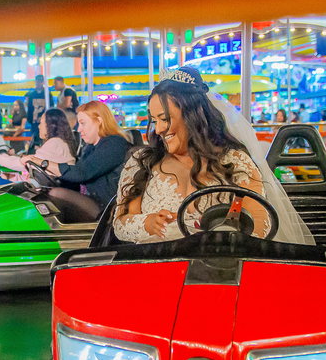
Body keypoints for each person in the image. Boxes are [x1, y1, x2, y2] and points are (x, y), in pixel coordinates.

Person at [112, 67, 313, 245]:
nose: (159, 129)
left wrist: (234, 242)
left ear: (193, 115)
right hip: (157, 268)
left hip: (218, 267)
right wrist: (147, 223)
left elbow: (260, 218)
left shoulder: (234, 161)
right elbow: (120, 224)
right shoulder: (142, 163)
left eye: (165, 119)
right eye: (154, 120)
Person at [51, 100, 130, 209]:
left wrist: (45, 164)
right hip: (95, 200)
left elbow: (82, 173)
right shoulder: (91, 147)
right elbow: (79, 177)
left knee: (56, 194)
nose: (79, 129)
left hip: (107, 208)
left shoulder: (114, 143)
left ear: (99, 121)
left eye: (82, 123)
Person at [0, 108, 76, 177]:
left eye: (41, 123)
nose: (39, 126)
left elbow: (24, 164)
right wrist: (12, 177)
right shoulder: (60, 143)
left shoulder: (55, 143)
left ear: (50, 126)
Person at [24, 74, 49, 148]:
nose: (39, 83)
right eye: (38, 81)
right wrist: (30, 120)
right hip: (34, 123)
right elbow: (30, 109)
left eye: (41, 81)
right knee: (34, 141)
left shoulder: (47, 94)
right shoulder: (31, 95)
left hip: (45, 123)